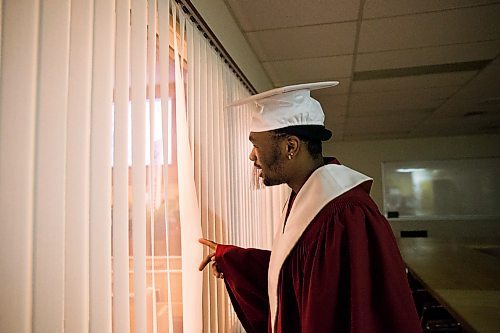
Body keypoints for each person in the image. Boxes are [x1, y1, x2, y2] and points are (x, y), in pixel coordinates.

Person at [198, 82, 422, 333]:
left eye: (256, 144)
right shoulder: (303, 198)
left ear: (290, 147)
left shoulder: (345, 212)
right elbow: (300, 278)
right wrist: (234, 261)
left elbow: (358, 312)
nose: (252, 156)